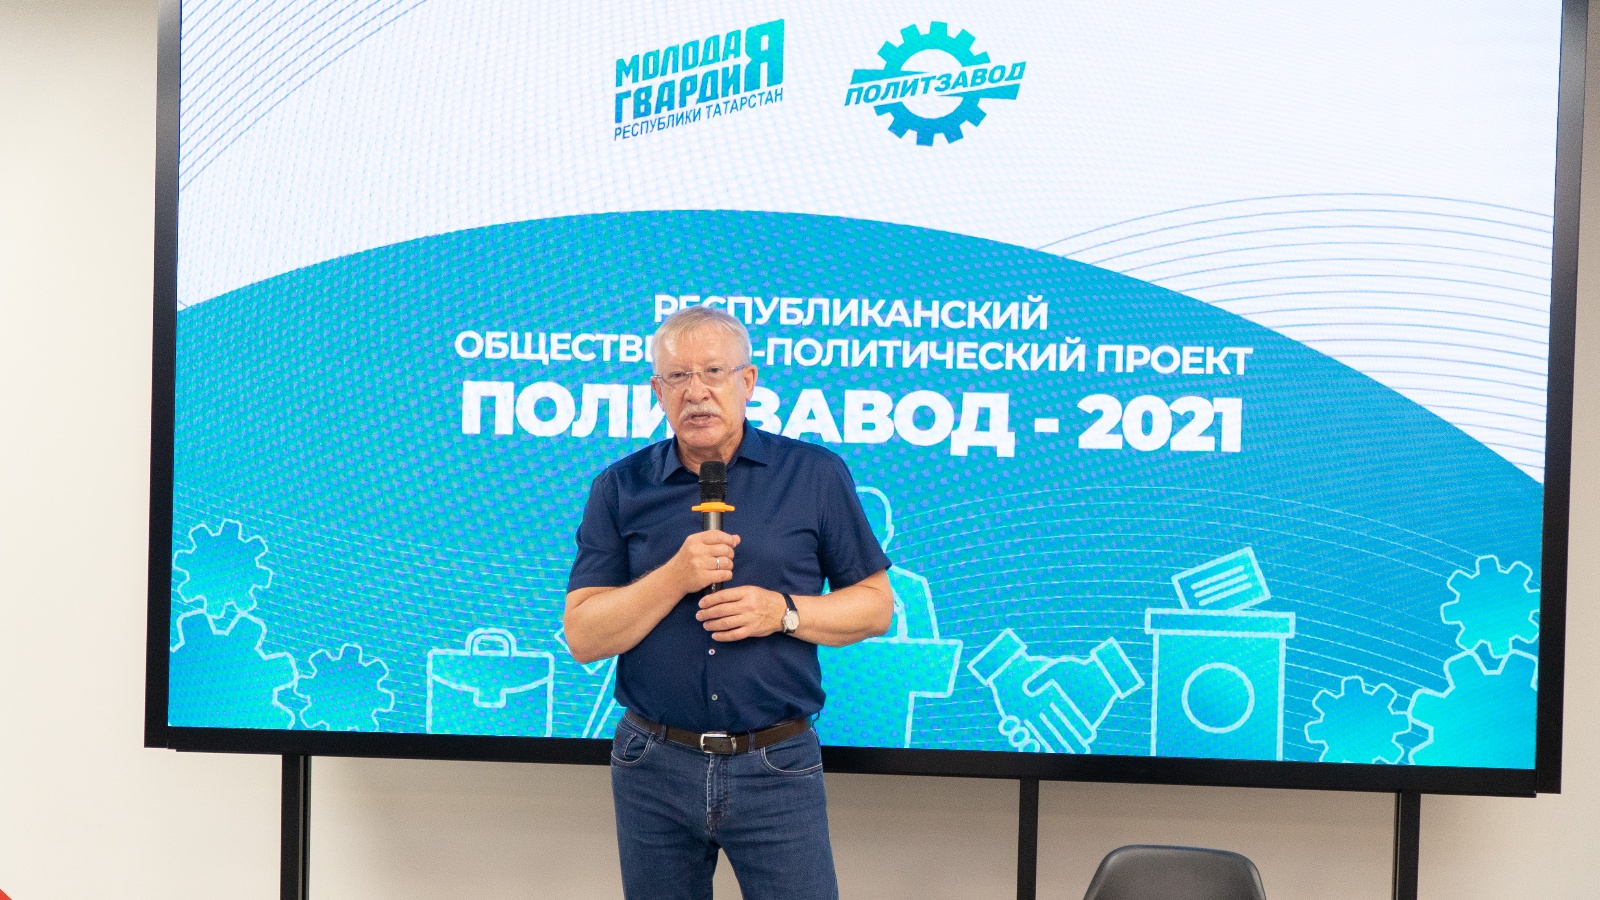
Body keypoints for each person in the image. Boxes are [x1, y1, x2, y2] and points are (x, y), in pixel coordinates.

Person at [563, 305, 894, 900]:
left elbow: (875, 607)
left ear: (747, 381)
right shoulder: (619, 487)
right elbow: (584, 637)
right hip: (652, 764)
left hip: (776, 763)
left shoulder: (813, 475)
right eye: (678, 377)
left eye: (713, 372)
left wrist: (783, 612)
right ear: (657, 392)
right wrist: (674, 576)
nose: (696, 392)